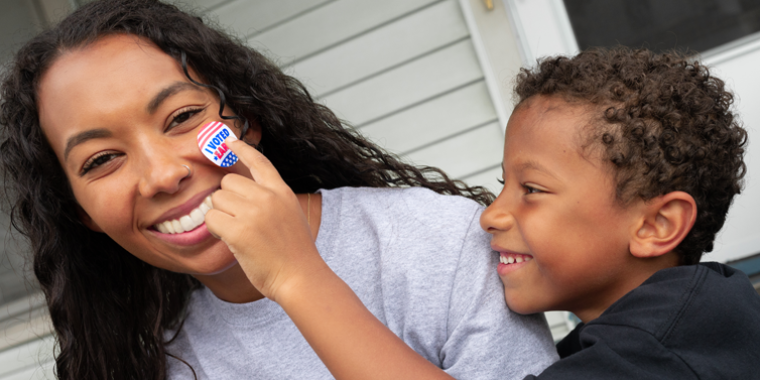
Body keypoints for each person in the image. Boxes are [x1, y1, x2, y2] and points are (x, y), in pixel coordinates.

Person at [0, 0, 559, 379]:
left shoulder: (441, 243)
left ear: (246, 119)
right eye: (101, 160)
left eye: (181, 117)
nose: (163, 174)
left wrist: (296, 276)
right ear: (81, 212)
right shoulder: (157, 359)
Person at [220, 47, 760, 379]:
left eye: (533, 189)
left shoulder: (671, 342)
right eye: (504, 185)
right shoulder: (621, 343)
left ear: (655, 225)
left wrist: (296, 275)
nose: (490, 215)